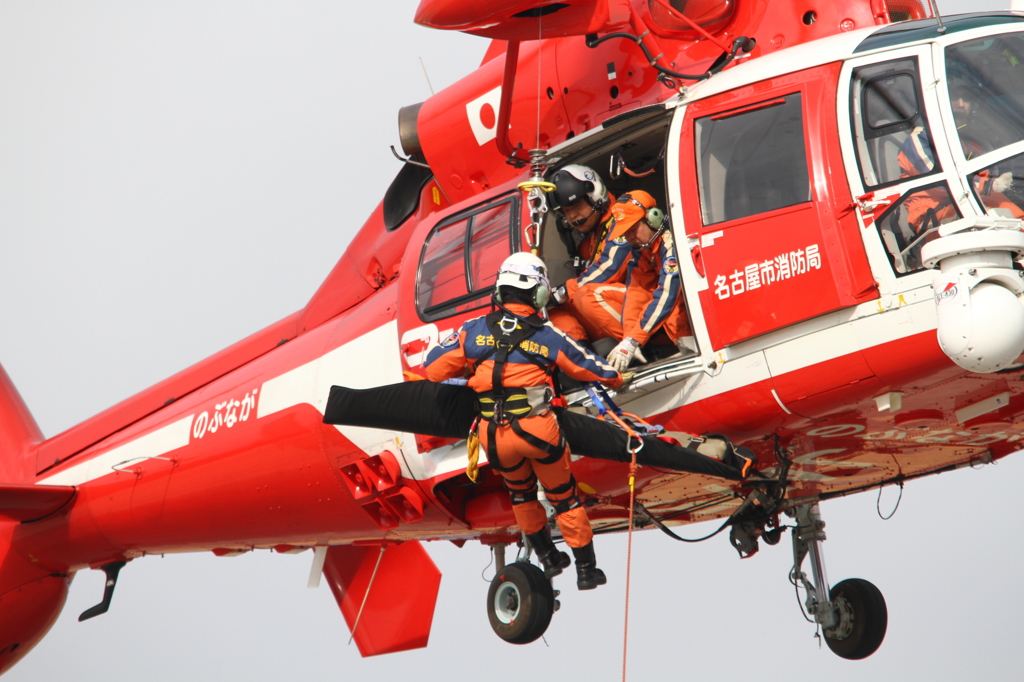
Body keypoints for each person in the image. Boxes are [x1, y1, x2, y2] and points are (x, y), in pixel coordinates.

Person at [424, 252, 623, 590]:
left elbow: (433, 367)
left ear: (499, 293)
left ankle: (549, 558)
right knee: (564, 498)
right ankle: (587, 571)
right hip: (537, 430)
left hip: (494, 438)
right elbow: (589, 367)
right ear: (540, 295)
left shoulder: (471, 332)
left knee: (521, 494)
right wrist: (617, 375)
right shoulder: (548, 335)